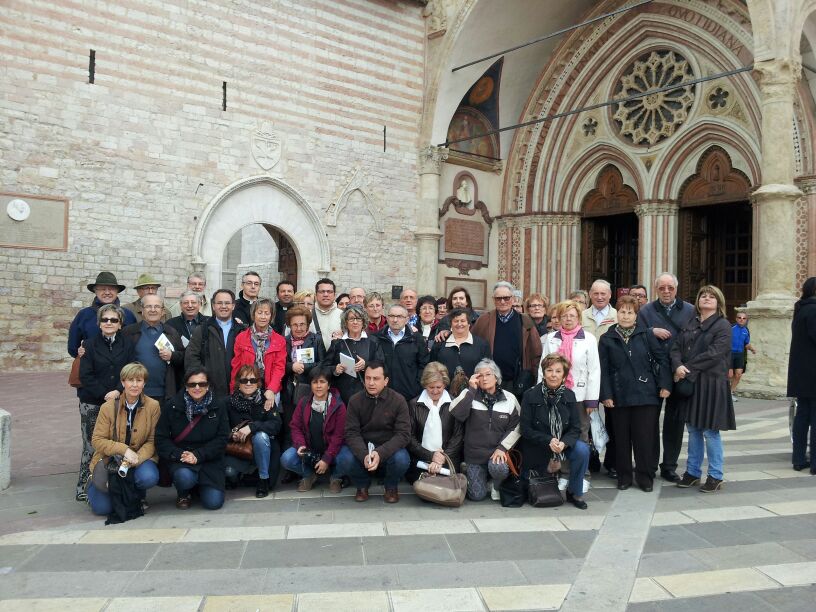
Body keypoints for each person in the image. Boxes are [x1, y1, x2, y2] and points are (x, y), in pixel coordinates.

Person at [599, 295, 672, 491]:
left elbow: (662, 360)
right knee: (621, 438)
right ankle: (624, 476)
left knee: (644, 438)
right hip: (618, 395)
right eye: (622, 311)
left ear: (636, 315)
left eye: (630, 312)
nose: (625, 316)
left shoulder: (646, 335)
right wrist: (606, 395)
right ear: (617, 313)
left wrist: (665, 385)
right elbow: (603, 369)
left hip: (645, 394)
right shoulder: (607, 338)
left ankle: (645, 476)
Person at [671, 285, 735, 492]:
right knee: (693, 429)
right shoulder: (690, 323)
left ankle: (716, 475)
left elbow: (715, 353)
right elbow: (675, 347)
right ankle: (692, 472)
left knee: (710, 430)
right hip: (693, 382)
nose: (707, 299)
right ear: (698, 301)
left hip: (712, 383)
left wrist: (686, 367)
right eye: (703, 296)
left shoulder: (723, 325)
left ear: (719, 302)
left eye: (711, 297)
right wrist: (677, 364)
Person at [637, 272, 696, 483]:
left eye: (670, 287)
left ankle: (669, 466)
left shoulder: (690, 310)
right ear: (656, 290)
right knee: (650, 421)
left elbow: (696, 337)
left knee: (675, 422)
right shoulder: (646, 310)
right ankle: (650, 465)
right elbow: (636, 335)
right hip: (653, 373)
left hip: (679, 372)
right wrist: (651, 331)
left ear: (676, 289)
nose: (666, 291)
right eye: (662, 288)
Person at [76, 304, 136, 500]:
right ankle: (85, 484)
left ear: (120, 324)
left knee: (117, 442)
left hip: (120, 400)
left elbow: (131, 369)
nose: (109, 323)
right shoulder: (89, 344)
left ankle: (114, 484)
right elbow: (86, 375)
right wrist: (105, 394)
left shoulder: (127, 344)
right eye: (105, 320)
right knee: (91, 444)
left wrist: (118, 390)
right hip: (93, 401)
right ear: (99, 323)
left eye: (113, 320)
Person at [87, 363, 161, 516]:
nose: (134, 385)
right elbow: (97, 440)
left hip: (138, 458)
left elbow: (152, 441)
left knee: (149, 477)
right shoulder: (107, 407)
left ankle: (135, 495)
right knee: (102, 509)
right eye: (130, 380)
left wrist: (136, 459)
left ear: (144, 383)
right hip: (110, 460)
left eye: (139, 380)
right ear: (122, 383)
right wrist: (124, 450)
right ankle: (94, 485)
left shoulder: (153, 406)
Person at [520, 353, 590, 509]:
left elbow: (575, 428)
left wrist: (564, 443)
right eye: (550, 370)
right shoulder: (530, 395)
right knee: (542, 494)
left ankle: (575, 492)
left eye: (558, 371)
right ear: (543, 373)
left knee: (582, 450)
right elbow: (526, 429)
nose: (553, 375)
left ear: (564, 375)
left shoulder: (569, 395)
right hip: (539, 444)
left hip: (562, 443)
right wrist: (548, 441)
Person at [335, 361, 411, 503]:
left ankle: (391, 486)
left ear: (386, 381)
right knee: (343, 457)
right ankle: (362, 485)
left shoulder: (398, 401)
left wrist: (380, 453)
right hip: (363, 448)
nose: (371, 383)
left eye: (376, 379)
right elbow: (351, 433)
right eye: (368, 378)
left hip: (388, 448)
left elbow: (403, 434)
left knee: (402, 459)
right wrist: (364, 454)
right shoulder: (355, 400)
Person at [155, 367, 230, 510]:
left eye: (202, 384)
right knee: (184, 478)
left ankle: (199, 488)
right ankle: (184, 492)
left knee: (213, 503)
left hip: (209, 460)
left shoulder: (218, 405)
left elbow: (222, 438)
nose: (197, 387)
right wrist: (179, 454)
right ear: (186, 386)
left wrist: (199, 455)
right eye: (192, 384)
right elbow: (161, 438)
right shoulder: (172, 406)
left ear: (208, 386)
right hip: (182, 459)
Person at [450, 358, 521, 501]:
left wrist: (502, 447)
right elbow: (457, 414)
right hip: (474, 455)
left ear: (496, 377)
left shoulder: (510, 398)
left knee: (498, 468)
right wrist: (471, 390)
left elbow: (517, 427)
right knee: (477, 496)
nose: (484, 378)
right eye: (480, 375)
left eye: (488, 374)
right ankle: (475, 474)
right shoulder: (468, 393)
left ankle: (496, 485)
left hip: (497, 453)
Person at [539, 301, 600, 453]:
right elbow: (543, 366)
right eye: (564, 316)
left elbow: (594, 370)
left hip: (579, 395)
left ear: (579, 318)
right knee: (557, 431)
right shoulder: (552, 338)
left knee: (580, 432)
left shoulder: (589, 339)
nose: (568, 319)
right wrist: (541, 391)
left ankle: (581, 471)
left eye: (572, 315)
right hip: (554, 392)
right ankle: (562, 471)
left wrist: (591, 400)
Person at [280, 367, 347, 492]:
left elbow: (339, 436)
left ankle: (336, 477)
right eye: (315, 382)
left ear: (329, 385)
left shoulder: (339, 406)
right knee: (286, 459)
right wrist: (300, 445)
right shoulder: (304, 403)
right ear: (310, 385)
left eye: (322, 382)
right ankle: (309, 475)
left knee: (348, 457)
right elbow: (295, 426)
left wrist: (327, 459)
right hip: (310, 449)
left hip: (333, 449)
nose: (318, 386)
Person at [472, 281, 542, 399]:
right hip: (489, 381)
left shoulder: (525, 321)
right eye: (499, 298)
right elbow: (472, 344)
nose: (503, 301)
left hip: (516, 382)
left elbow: (536, 353)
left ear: (513, 298)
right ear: (493, 299)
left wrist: (535, 379)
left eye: (506, 298)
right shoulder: (484, 320)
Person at [225, 364, 282, 498]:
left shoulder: (266, 400)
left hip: (262, 450)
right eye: (244, 380)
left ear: (258, 383)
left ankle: (263, 478)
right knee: (229, 472)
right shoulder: (228, 402)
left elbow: (276, 425)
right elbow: (220, 428)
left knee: (261, 436)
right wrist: (232, 434)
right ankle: (242, 477)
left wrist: (252, 427)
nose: (248, 383)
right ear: (238, 383)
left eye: (253, 380)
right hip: (239, 449)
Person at [581, 279, 619, 477]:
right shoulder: (581, 316)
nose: (599, 297)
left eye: (603, 293)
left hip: (611, 375)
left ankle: (612, 463)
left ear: (610, 295)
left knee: (613, 419)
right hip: (586, 375)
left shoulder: (617, 315)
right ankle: (591, 458)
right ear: (590, 295)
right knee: (586, 418)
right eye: (595, 293)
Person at [407, 362, 463, 482]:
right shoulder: (414, 404)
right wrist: (431, 456)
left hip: (448, 461)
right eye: (431, 387)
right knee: (426, 493)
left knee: (442, 491)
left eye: (439, 387)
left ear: (445, 384)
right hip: (421, 461)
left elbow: (458, 436)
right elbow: (409, 437)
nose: (435, 391)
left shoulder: (454, 404)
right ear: (424, 385)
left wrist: (442, 458)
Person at [123, 294, 184, 402]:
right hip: (135, 392)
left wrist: (172, 356)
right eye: (148, 306)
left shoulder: (171, 332)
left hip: (164, 394)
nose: (153, 310)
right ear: (142, 310)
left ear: (163, 311)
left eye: (157, 306)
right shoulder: (129, 332)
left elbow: (183, 358)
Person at [185, 289, 246, 397]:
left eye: (227, 303)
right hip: (209, 391)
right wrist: (202, 382)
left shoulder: (243, 331)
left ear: (233, 306)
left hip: (238, 391)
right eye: (219, 303)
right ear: (213, 306)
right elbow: (192, 358)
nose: (223, 306)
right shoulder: (202, 330)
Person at [230, 298, 286, 411]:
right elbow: (236, 366)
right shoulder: (241, 338)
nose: (263, 316)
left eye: (267, 313)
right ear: (253, 314)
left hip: (269, 389)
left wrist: (272, 389)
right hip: (246, 387)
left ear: (272, 316)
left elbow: (279, 368)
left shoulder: (279, 340)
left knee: (268, 422)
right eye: (259, 312)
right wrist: (233, 389)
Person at [68, 271, 137, 359]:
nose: (107, 292)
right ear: (95, 291)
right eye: (102, 289)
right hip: (92, 368)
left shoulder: (128, 315)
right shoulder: (84, 315)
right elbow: (73, 347)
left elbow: (134, 343)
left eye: (111, 289)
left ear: (117, 291)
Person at [325, 305, 384, 405]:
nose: (355, 322)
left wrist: (366, 365)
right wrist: (335, 370)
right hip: (341, 396)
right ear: (346, 322)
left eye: (358, 318)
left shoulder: (373, 341)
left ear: (363, 321)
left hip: (366, 394)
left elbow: (381, 363)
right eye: (352, 319)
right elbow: (325, 367)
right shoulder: (337, 343)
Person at [788, 277, 816, 474]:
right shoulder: (814, 310)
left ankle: (798, 459)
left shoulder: (801, 309)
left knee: (802, 417)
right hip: (813, 373)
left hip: (801, 374)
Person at [376, 304, 429, 401]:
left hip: (410, 396)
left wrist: (416, 387)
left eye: (399, 316)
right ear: (387, 318)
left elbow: (424, 365)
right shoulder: (377, 338)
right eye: (391, 316)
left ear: (407, 319)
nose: (395, 320)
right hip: (382, 395)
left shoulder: (416, 338)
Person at [430, 308, 491, 387]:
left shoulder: (482, 345)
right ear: (451, 324)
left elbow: (488, 370)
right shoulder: (440, 342)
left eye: (462, 321)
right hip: (444, 393)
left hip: (474, 391)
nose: (459, 324)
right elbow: (432, 368)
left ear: (469, 324)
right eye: (456, 321)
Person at [729, 312, 756, 401]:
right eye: (739, 317)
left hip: (739, 354)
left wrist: (752, 349)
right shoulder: (731, 328)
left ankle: (730, 393)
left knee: (738, 375)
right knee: (729, 375)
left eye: (744, 318)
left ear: (746, 320)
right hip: (729, 353)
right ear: (736, 319)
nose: (741, 319)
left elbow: (746, 344)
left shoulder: (746, 330)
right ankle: (722, 392)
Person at [312, 278, 343, 350]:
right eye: (322, 291)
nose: (325, 294)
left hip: (336, 359)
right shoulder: (307, 315)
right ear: (316, 295)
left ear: (335, 295)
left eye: (329, 292)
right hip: (314, 360)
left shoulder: (343, 316)